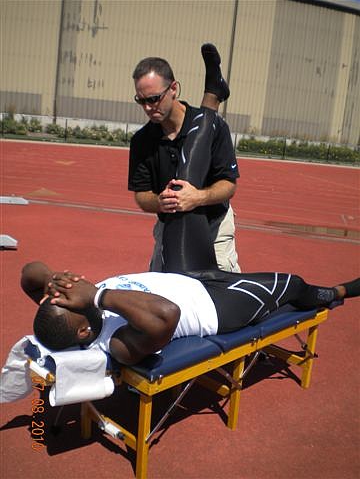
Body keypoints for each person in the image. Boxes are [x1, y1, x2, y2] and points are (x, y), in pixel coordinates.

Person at [23, 261, 359, 366]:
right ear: (83, 333)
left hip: (192, 278)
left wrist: (52, 279)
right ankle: (338, 292)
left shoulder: (75, 311)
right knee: (293, 283)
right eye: (71, 302)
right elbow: (168, 314)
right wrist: (97, 295)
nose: (72, 295)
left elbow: (29, 273)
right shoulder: (116, 345)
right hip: (218, 307)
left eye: (61, 297)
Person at [128, 43, 241, 272]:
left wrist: (198, 197)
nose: (148, 107)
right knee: (161, 294)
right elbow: (141, 195)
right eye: (142, 101)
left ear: (174, 89)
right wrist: (159, 201)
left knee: (219, 295)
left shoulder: (215, 127)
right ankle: (213, 94)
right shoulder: (141, 140)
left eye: (154, 98)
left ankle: (213, 93)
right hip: (170, 225)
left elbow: (228, 185)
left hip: (214, 227)